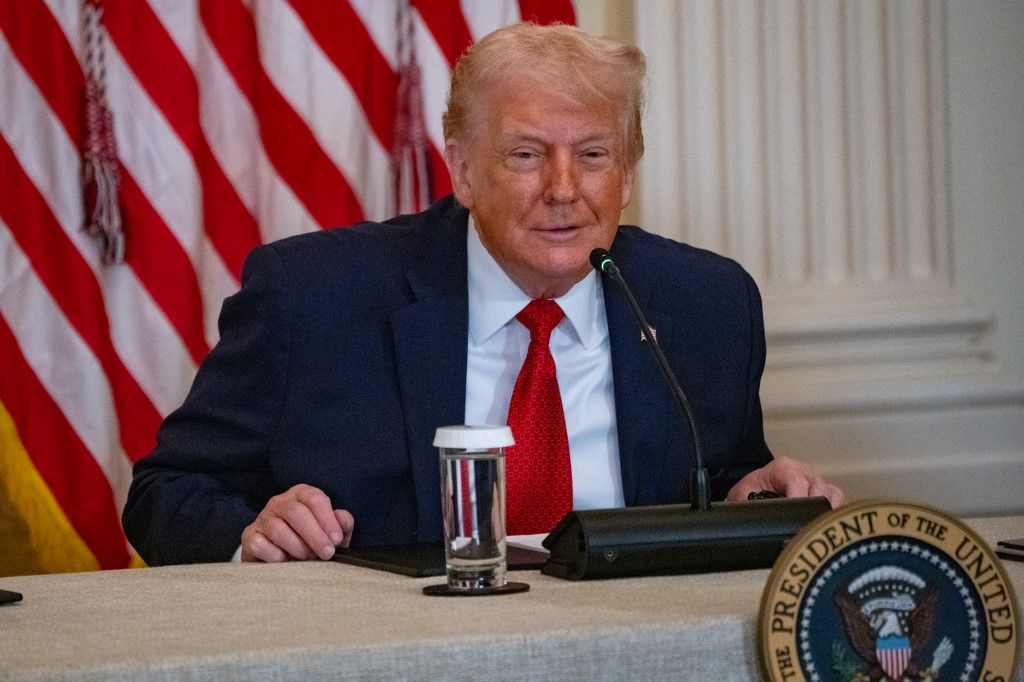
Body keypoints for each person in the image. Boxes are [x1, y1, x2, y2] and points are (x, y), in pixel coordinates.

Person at [122, 23, 843, 566]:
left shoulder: (707, 305)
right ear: (463, 172)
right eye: (527, 155)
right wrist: (253, 534)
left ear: (626, 173)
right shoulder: (314, 299)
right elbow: (164, 494)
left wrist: (754, 497)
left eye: (592, 156)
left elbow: (714, 480)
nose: (564, 190)